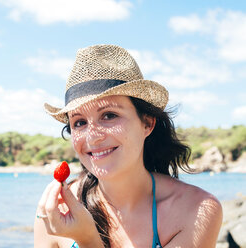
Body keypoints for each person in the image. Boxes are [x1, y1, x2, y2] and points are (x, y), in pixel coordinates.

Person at [34, 44, 222, 248]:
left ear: (147, 123)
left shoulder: (194, 210)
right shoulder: (56, 213)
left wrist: (88, 239)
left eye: (109, 115)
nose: (93, 137)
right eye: (79, 122)